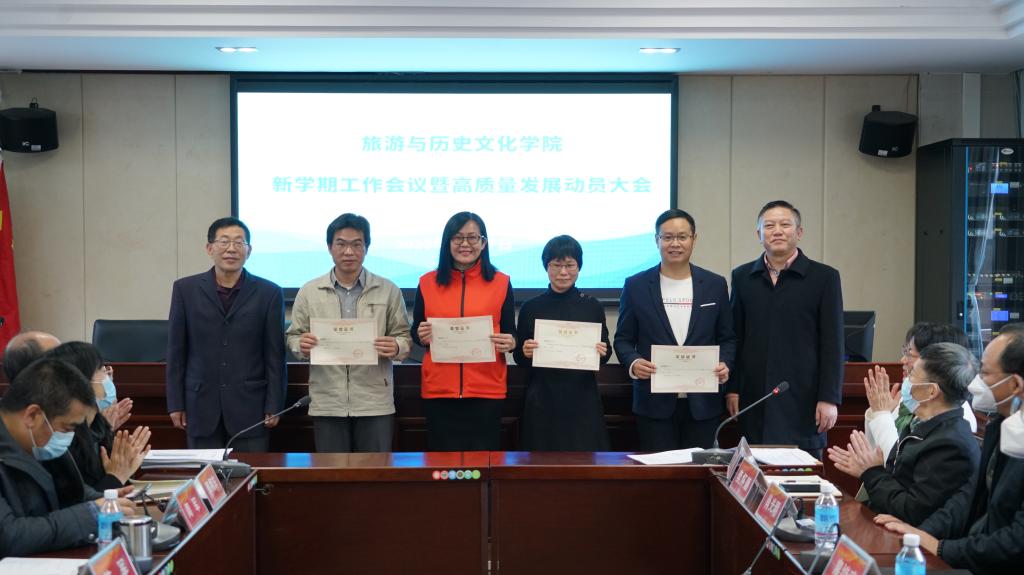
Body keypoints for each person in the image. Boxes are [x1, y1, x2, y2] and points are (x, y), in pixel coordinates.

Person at [875, 324, 1024, 574]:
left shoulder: (965, 436)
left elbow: (1016, 541)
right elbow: (966, 499)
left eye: (985, 373)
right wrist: (921, 535)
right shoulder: (1001, 426)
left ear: (1015, 385)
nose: (975, 383)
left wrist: (940, 547)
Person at [286, 214, 412, 452]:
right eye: (341, 244)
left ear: (366, 248)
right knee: (332, 471)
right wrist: (300, 344)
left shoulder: (388, 290)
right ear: (329, 247)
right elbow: (292, 337)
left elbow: (405, 337)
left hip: (374, 401)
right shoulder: (310, 291)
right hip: (327, 400)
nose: (348, 252)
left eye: (356, 244)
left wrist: (396, 346)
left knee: (375, 470)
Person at [727, 200, 843, 457]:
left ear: (799, 232)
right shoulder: (742, 277)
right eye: (769, 226)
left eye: (785, 225)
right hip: (755, 398)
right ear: (759, 234)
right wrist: (733, 388)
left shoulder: (824, 277)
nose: (777, 231)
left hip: (804, 399)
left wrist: (829, 397)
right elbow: (735, 337)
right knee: (755, 473)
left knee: (803, 474)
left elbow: (833, 343)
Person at [614, 209, 735, 451]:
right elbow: (623, 339)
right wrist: (634, 362)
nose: (675, 244)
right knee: (660, 471)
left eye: (682, 237)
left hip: (703, 403)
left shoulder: (715, 284)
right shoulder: (636, 285)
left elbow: (728, 338)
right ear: (656, 240)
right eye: (667, 237)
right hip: (653, 403)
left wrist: (725, 363)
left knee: (699, 470)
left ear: (694, 239)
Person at [166, 217, 286, 451]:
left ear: (249, 251)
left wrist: (274, 404)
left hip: (251, 408)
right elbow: (176, 351)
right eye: (224, 241)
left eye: (239, 242)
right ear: (209, 248)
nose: (232, 248)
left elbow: (275, 355)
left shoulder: (269, 293)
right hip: (199, 407)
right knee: (205, 473)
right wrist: (175, 403)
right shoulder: (185, 290)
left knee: (249, 473)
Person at [828, 342, 980, 525]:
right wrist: (869, 467)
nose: (906, 380)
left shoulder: (951, 445)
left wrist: (871, 472)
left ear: (931, 391)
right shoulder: (921, 423)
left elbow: (910, 512)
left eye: (912, 374)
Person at [0, 358, 135, 557]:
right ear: (32, 416)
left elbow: (69, 491)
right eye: (66, 428)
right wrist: (91, 514)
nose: (69, 437)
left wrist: (104, 501)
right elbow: (9, 536)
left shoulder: (38, 442)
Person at [411, 212, 516, 451]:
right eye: (458, 238)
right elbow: (415, 331)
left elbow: (511, 332)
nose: (465, 244)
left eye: (472, 237)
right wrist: (421, 335)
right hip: (440, 390)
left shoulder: (501, 282)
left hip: (486, 389)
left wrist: (511, 342)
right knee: (442, 465)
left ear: (483, 243)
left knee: (481, 464)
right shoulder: (427, 282)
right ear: (447, 242)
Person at [513, 235, 611, 451]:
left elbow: (606, 353)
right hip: (542, 397)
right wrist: (525, 351)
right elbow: (519, 357)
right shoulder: (531, 307)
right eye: (556, 265)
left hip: (582, 397)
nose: (563, 272)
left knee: (583, 460)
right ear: (546, 267)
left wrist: (602, 351)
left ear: (579, 267)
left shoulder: (592, 306)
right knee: (540, 461)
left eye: (569, 265)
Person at [861, 323, 977, 464]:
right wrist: (881, 411)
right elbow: (875, 452)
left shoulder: (958, 424)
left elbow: (897, 464)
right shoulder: (912, 398)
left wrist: (882, 414)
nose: (903, 360)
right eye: (905, 351)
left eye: (910, 354)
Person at [44, 342, 151, 492]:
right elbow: (80, 501)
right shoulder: (64, 438)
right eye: (102, 370)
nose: (108, 376)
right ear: (81, 380)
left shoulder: (97, 425)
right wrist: (116, 476)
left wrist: (123, 465)